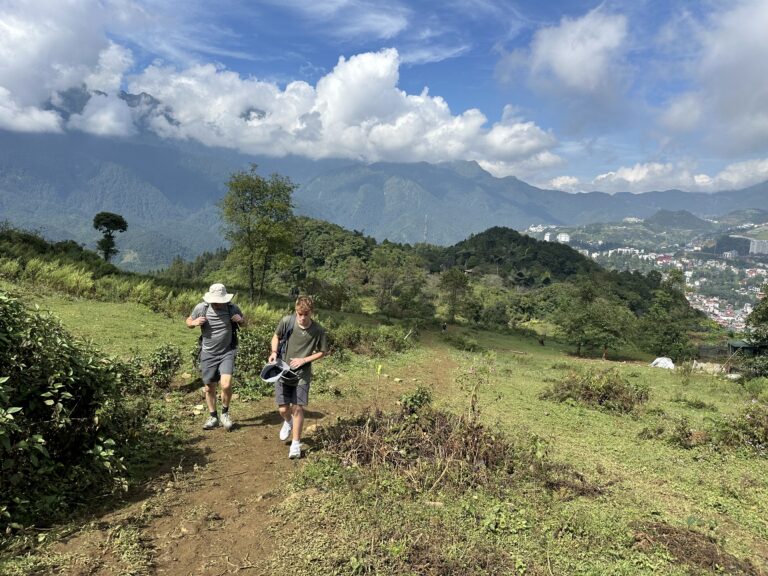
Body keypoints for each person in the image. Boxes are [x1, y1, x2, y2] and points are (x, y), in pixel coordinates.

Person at [268, 296, 328, 459]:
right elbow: (276, 336)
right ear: (296, 311)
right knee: (283, 409)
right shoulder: (287, 321)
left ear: (311, 313)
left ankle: (295, 444)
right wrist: (274, 352)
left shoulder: (318, 330)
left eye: (306, 314)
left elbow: (323, 351)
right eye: (299, 314)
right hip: (283, 370)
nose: (302, 318)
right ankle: (288, 422)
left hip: (302, 375)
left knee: (297, 408)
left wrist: (304, 360)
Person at [186, 283, 244, 431]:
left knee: (225, 384)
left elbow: (244, 323)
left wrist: (240, 320)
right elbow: (188, 321)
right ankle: (213, 417)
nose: (217, 303)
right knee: (209, 387)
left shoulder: (232, 308)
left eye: (219, 301)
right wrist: (193, 322)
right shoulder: (202, 308)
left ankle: (225, 413)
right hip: (208, 353)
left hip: (227, 351)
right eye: (214, 301)